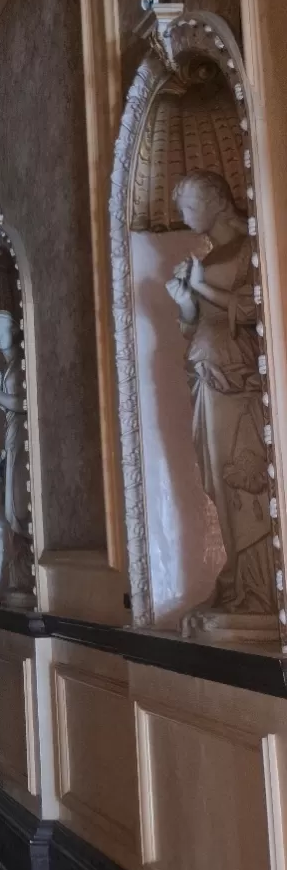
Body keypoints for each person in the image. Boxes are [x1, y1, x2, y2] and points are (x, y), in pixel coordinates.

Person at [166, 169, 275, 616]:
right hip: (207, 374)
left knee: (242, 472)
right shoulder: (206, 257)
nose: (184, 216)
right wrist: (185, 300)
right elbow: (197, 321)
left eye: (189, 206)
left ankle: (261, 590)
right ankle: (239, 583)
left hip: (237, 374)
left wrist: (201, 286)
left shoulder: (253, 244)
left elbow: (257, 305)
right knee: (216, 475)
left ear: (215, 199)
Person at [0, 307, 34, 599]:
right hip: (13, 437)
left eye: (2, 330)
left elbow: (28, 401)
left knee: (20, 500)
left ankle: (26, 567)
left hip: (25, 436)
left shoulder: (24, 363)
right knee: (11, 501)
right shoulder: (8, 368)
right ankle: (18, 566)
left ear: (13, 329)